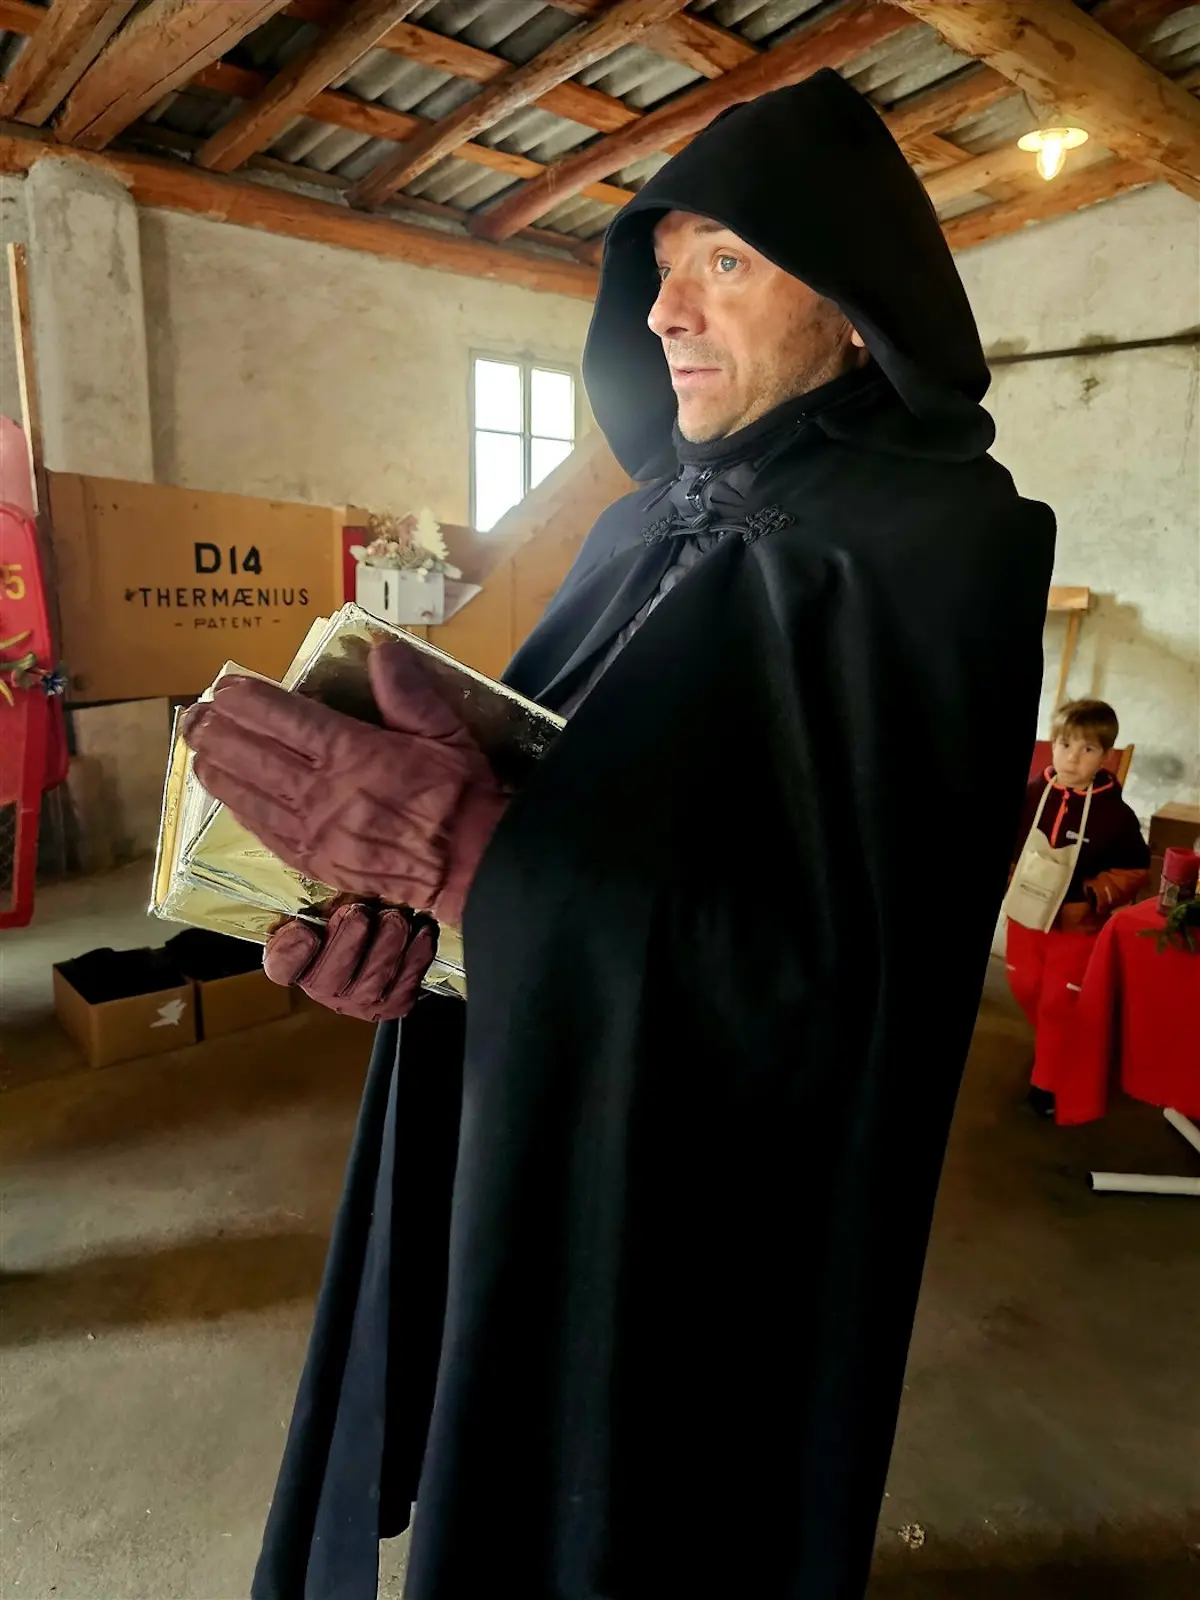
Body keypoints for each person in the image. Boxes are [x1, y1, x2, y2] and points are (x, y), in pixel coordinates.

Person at [184, 69, 1055, 1600]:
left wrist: (487, 870)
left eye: (724, 261)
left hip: (724, 1200)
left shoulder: (947, 546)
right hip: (538, 1098)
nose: (664, 313)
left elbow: (862, 982)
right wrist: (415, 939)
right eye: (658, 272)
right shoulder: (631, 525)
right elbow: (530, 812)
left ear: (853, 306)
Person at [1005, 698, 1149, 1119]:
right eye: (1065, 744)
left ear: (1105, 757)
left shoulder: (1116, 815)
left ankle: (1047, 1083)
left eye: (1087, 749)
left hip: (1075, 929)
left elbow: (1135, 869)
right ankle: (1056, 1046)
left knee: (1059, 1003)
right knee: (1026, 988)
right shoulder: (1032, 793)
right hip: (1027, 921)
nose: (1073, 757)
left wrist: (1089, 897)